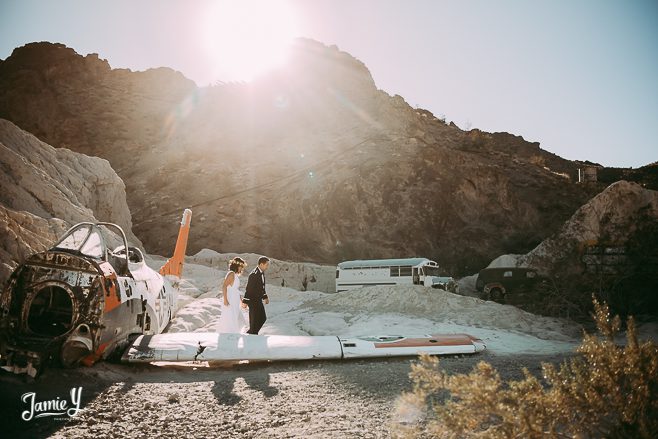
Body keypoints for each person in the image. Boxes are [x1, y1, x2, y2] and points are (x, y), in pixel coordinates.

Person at [217, 257, 248, 334]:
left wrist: (242, 302)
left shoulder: (235, 275)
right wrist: (225, 300)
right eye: (241, 267)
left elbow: (236, 290)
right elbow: (224, 286)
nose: (242, 269)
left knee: (238, 319)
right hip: (230, 300)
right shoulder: (231, 274)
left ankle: (233, 335)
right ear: (237, 266)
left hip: (235, 300)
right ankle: (228, 335)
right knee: (230, 318)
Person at [242, 256, 270, 334]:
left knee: (262, 318)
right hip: (252, 301)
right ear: (261, 264)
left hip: (258, 300)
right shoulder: (254, 274)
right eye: (267, 265)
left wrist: (265, 297)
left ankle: (252, 333)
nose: (268, 267)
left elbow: (262, 287)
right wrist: (245, 301)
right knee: (254, 321)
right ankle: (252, 334)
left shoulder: (261, 273)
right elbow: (249, 289)